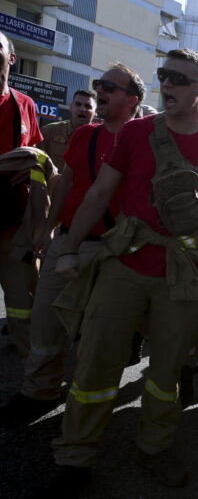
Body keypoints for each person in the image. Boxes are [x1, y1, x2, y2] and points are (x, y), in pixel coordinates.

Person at [45, 48, 198, 494]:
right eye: (164, 76)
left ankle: (154, 447)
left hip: (178, 275)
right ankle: (76, 457)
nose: (169, 84)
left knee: (167, 373)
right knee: (96, 363)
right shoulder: (136, 133)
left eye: (180, 78)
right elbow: (99, 193)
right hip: (125, 265)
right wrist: (70, 247)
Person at [0, 63, 143, 422]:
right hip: (67, 241)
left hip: (111, 251)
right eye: (99, 84)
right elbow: (65, 183)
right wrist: (49, 230)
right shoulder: (84, 136)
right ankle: (39, 391)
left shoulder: (145, 142)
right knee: (44, 321)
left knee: (96, 335)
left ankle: (84, 411)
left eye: (110, 86)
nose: (100, 90)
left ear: (133, 99)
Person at [0, 30, 45, 360]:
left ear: (11, 58)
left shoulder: (25, 104)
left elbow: (39, 157)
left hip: (14, 226)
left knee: (23, 304)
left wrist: (33, 167)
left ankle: (33, 382)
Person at [38, 90, 96, 171]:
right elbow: (36, 163)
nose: (82, 109)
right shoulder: (49, 131)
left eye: (88, 106)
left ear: (95, 111)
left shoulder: (100, 139)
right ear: (71, 107)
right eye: (78, 104)